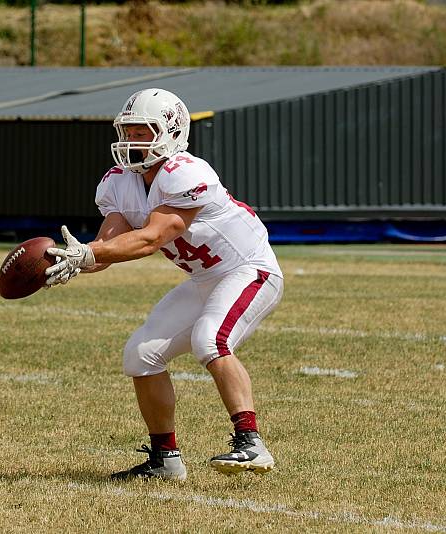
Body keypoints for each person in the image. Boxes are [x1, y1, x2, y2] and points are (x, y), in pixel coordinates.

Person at [44, 88, 284, 481]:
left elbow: (152, 238)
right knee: (140, 355)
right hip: (205, 278)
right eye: (129, 130)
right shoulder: (118, 181)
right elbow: (108, 245)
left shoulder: (187, 173)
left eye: (143, 131)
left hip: (248, 270)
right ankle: (164, 459)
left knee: (212, 340)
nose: (132, 141)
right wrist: (70, 259)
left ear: (171, 131)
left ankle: (250, 443)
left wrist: (91, 254)